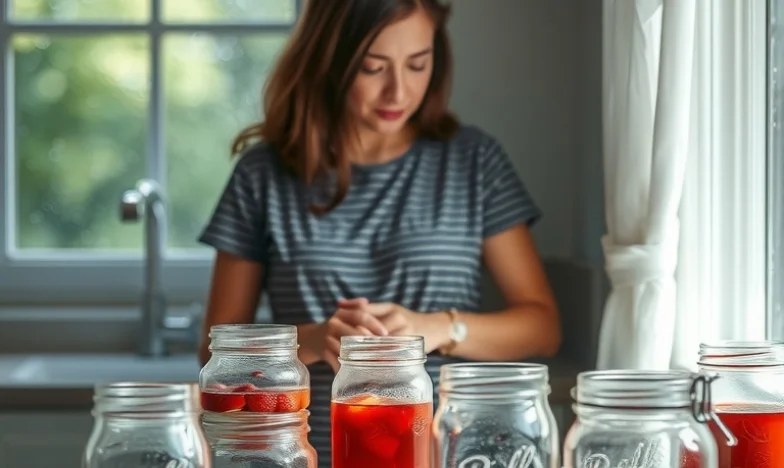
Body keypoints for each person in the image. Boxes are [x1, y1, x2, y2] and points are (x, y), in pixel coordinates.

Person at [197, 0, 562, 466]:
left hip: (444, 453)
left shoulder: (475, 162)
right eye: (373, 68)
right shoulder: (262, 175)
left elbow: (542, 328)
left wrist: (439, 327)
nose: (398, 91)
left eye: (418, 65)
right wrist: (310, 339)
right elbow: (215, 350)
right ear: (330, 60)